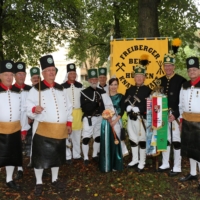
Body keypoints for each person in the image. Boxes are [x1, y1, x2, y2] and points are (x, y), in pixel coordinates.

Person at [26, 55, 73, 196]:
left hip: (59, 130)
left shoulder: (61, 89)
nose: (52, 72)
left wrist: (69, 123)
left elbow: (68, 107)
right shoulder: (35, 89)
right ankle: (39, 182)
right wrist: (34, 109)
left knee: (56, 156)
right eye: (48, 70)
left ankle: (54, 179)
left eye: (53, 70)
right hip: (43, 130)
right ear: (43, 73)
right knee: (40, 157)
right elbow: (28, 107)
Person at [0, 60, 29, 190]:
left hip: (14, 130)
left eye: (11, 75)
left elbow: (22, 112)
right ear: (0, 76)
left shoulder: (18, 92)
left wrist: (23, 129)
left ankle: (9, 179)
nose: (9, 77)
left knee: (12, 156)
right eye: (6, 74)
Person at [157, 53, 186, 176]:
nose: (168, 68)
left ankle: (177, 166)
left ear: (174, 66)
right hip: (162, 115)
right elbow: (156, 98)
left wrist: (176, 114)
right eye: (166, 65)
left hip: (175, 115)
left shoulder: (181, 81)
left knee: (176, 141)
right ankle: (165, 163)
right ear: (163, 67)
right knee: (165, 140)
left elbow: (183, 101)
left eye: (170, 65)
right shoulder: (160, 81)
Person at [125, 64, 152, 172]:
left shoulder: (148, 90)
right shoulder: (129, 89)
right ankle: (135, 160)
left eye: (141, 76)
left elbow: (150, 104)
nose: (139, 78)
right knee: (132, 139)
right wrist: (126, 107)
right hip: (131, 119)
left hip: (141, 119)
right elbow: (125, 101)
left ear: (144, 78)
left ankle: (142, 162)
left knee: (142, 141)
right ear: (134, 77)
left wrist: (140, 108)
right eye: (137, 76)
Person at [179, 57, 200, 185]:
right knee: (190, 149)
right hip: (187, 121)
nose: (192, 72)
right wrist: (181, 120)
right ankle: (193, 173)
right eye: (190, 70)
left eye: (194, 69)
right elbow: (181, 104)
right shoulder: (185, 85)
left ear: (199, 70)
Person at [99, 77, 125, 172]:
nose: (113, 87)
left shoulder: (121, 96)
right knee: (107, 142)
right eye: (111, 84)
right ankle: (107, 164)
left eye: (115, 84)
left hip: (117, 122)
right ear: (108, 86)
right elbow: (101, 109)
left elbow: (122, 111)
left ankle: (116, 165)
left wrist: (114, 121)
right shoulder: (104, 97)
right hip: (106, 123)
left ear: (118, 85)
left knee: (116, 142)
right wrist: (108, 118)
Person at [81, 68, 105, 165]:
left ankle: (95, 155)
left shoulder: (102, 92)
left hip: (100, 118)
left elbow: (104, 106)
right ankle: (86, 157)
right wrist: (96, 104)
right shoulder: (84, 92)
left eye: (96, 79)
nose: (94, 81)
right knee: (86, 138)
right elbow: (84, 107)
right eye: (92, 79)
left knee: (98, 137)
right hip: (89, 118)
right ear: (89, 80)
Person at [12, 62, 32, 180]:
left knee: (32, 144)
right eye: (19, 74)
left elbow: (33, 105)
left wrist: (29, 120)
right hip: (14, 124)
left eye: (23, 74)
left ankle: (34, 164)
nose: (21, 76)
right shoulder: (11, 89)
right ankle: (19, 168)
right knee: (16, 147)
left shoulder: (30, 89)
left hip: (29, 122)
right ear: (15, 75)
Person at [61, 63, 83, 164]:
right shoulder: (62, 87)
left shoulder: (80, 86)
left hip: (78, 112)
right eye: (71, 73)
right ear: (67, 75)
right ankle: (67, 155)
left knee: (77, 134)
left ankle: (77, 154)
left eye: (74, 73)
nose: (73, 75)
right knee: (67, 135)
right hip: (66, 113)